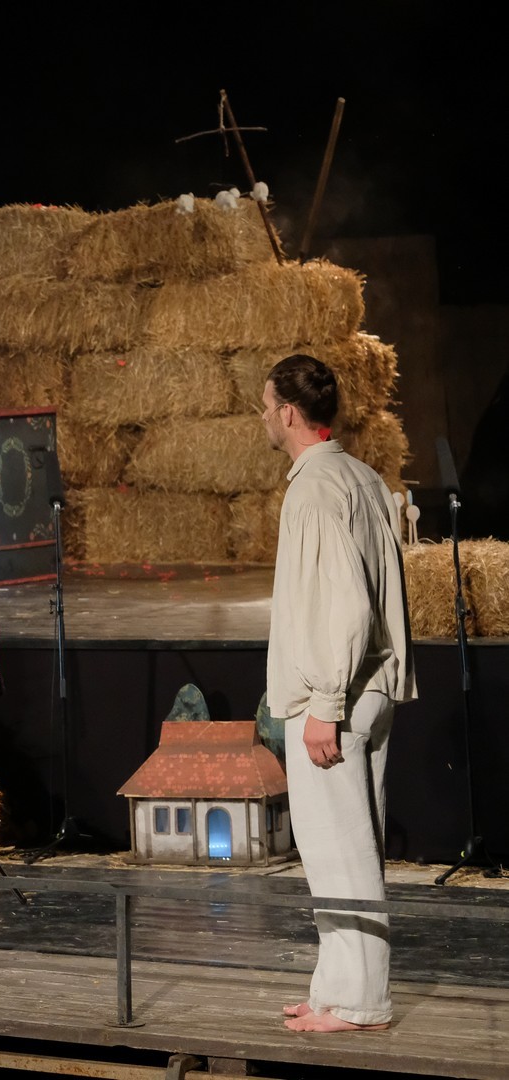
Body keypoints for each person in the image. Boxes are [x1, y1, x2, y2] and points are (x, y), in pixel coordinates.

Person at [262, 354, 416, 1034]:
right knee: (342, 847)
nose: (264, 418)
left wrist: (325, 704)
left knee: (341, 850)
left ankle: (359, 1002)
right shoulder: (360, 476)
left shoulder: (316, 490)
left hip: (339, 695)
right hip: (368, 687)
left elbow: (348, 606)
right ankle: (335, 989)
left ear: (289, 412)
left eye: (266, 406)